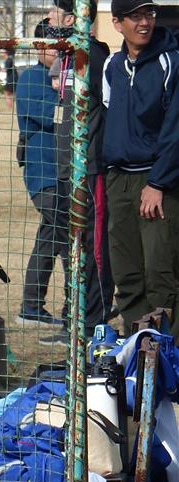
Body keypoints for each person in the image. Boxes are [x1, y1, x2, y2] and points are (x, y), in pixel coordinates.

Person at [102, 0, 179, 336]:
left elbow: (175, 129)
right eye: (135, 16)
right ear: (118, 23)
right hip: (119, 179)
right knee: (127, 273)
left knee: (160, 272)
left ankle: (167, 358)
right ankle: (137, 348)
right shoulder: (112, 66)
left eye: (149, 14)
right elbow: (109, 115)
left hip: (157, 181)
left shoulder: (170, 62)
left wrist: (158, 183)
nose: (144, 22)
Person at [49, 0, 114, 337]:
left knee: (91, 245)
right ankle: (72, 319)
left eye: (55, 12)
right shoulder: (67, 54)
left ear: (73, 18)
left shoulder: (96, 56)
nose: (49, 18)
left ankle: (93, 321)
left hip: (88, 168)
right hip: (65, 167)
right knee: (69, 246)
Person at [15, 22, 69, 333]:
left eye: (63, 44)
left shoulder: (61, 77)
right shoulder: (33, 79)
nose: (59, 50)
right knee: (65, 236)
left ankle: (31, 306)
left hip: (61, 172)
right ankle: (75, 306)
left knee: (50, 237)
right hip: (45, 172)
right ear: (37, 48)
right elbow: (57, 115)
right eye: (52, 45)